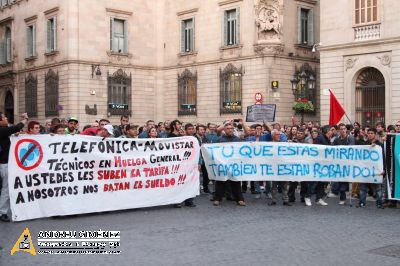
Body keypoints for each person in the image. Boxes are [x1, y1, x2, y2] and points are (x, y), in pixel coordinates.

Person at [0, 113, 29, 222]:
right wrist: (25, 119)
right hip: (5, 164)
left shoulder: (3, 131)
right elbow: (17, 127)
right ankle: (2, 212)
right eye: (4, 117)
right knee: (6, 188)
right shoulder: (2, 130)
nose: (6, 118)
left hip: (4, 163)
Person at [213, 123, 245, 206]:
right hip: (223, 164)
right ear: (224, 130)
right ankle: (217, 199)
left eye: (231, 128)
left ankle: (239, 199)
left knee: (236, 182)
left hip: (234, 165)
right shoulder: (220, 140)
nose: (230, 130)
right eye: (228, 128)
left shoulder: (237, 139)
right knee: (220, 182)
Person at [358, 128, 384, 208]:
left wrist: (383, 169)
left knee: (378, 188)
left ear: (375, 134)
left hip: (376, 170)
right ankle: (362, 202)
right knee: (363, 188)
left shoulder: (380, 145)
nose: (370, 134)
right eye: (368, 133)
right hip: (365, 170)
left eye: (372, 133)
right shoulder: (364, 144)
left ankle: (379, 203)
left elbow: (383, 158)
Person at [332, 123, 355, 205]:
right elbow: (332, 149)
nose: (343, 130)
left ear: (346, 129)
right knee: (340, 180)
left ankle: (343, 197)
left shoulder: (350, 138)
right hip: (338, 164)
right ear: (338, 130)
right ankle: (342, 196)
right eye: (341, 129)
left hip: (347, 163)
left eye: (344, 128)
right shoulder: (336, 139)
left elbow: (351, 148)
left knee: (344, 181)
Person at [308, 125, 331, 206]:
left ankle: (319, 198)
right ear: (327, 131)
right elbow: (316, 150)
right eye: (330, 130)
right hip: (318, 164)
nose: (331, 131)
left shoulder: (328, 139)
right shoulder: (320, 138)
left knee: (322, 183)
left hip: (324, 165)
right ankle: (307, 197)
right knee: (314, 182)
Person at [269, 129, 291, 206]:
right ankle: (273, 200)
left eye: (279, 134)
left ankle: (285, 200)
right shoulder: (268, 145)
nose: (279, 136)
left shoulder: (284, 144)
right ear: (273, 136)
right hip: (274, 167)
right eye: (277, 134)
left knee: (285, 185)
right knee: (274, 185)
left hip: (283, 167)